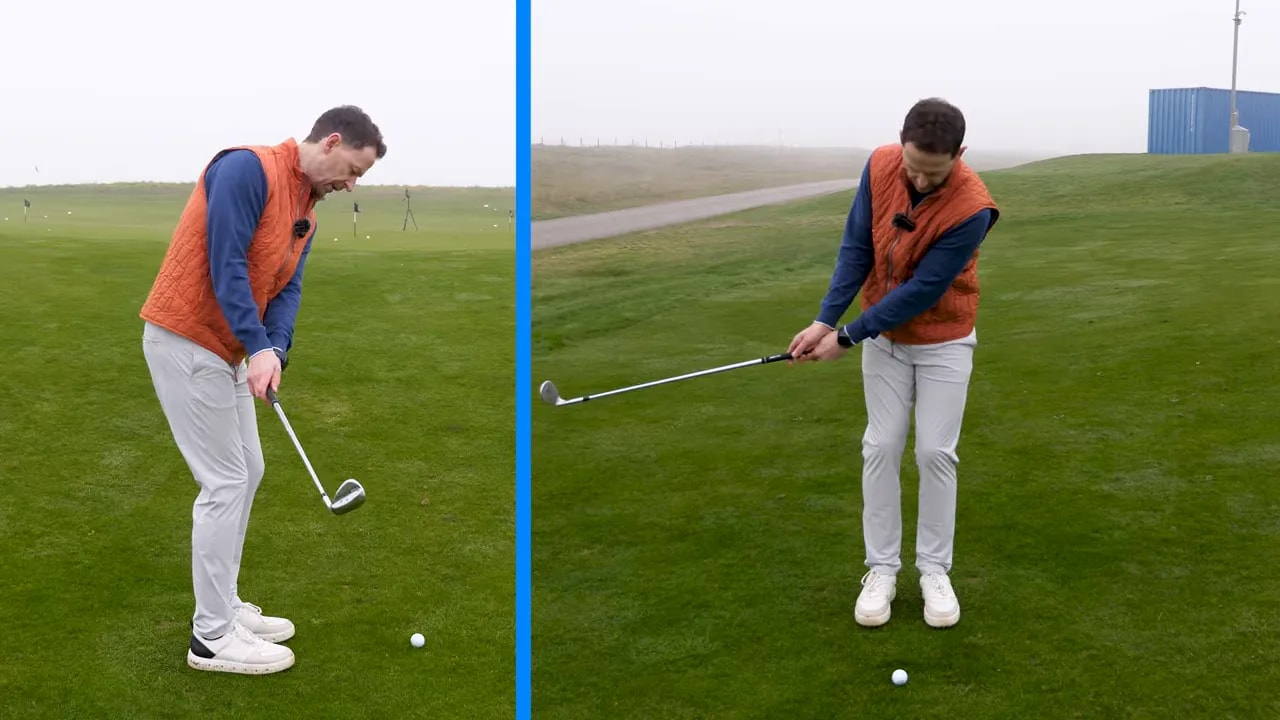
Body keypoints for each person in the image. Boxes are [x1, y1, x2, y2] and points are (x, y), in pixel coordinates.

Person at [139, 105, 387, 674]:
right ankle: (211, 637)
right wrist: (256, 345)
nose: (351, 185)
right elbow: (225, 261)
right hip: (186, 337)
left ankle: (224, 605)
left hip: (228, 347)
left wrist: (274, 348)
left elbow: (287, 290)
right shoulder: (247, 169)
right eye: (353, 170)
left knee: (249, 469)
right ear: (331, 142)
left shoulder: (307, 212)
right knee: (225, 480)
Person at [788, 98, 1000, 629]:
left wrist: (848, 335)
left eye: (934, 173)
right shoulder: (880, 164)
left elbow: (925, 289)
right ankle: (881, 568)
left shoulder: (973, 208)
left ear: (959, 154)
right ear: (900, 147)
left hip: (945, 340)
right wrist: (824, 320)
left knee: (935, 452)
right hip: (884, 340)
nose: (921, 181)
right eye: (913, 168)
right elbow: (856, 248)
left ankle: (934, 570)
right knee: (880, 447)